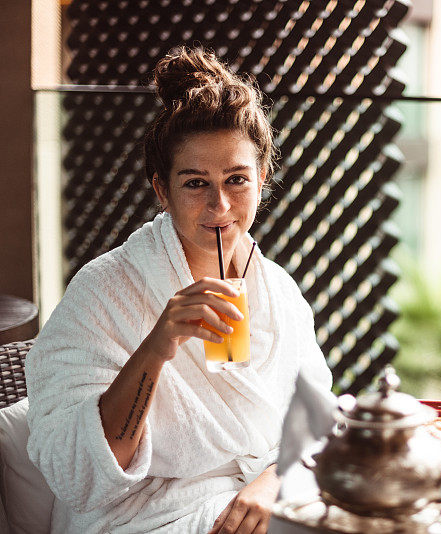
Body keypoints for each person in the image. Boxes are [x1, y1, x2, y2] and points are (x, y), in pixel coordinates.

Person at [25, 47, 332, 533]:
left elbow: (315, 416)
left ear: (262, 180)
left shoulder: (276, 288)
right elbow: (78, 474)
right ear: (162, 190)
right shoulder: (105, 290)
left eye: (237, 180)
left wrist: (273, 479)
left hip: (260, 500)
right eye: (195, 183)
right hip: (143, 517)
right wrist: (158, 345)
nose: (220, 204)